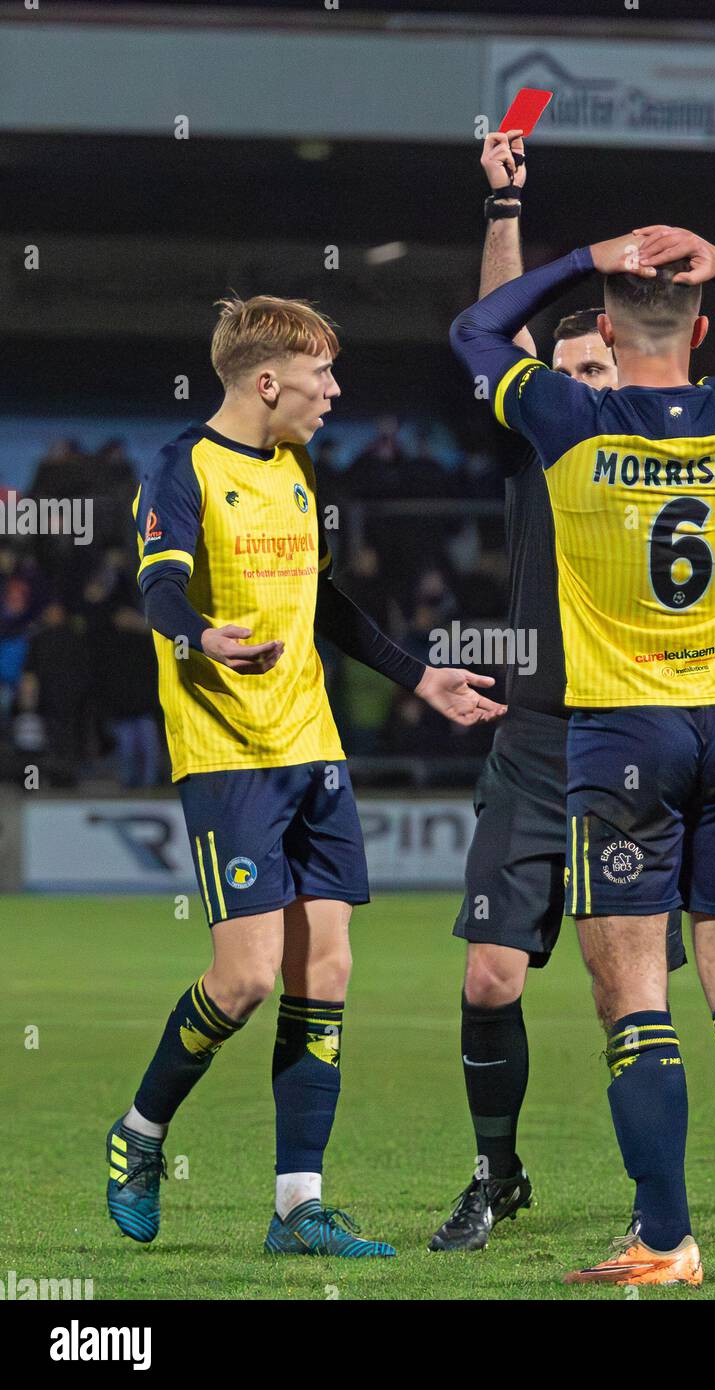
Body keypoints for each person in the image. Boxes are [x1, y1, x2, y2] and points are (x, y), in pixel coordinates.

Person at [107, 293, 504, 1261]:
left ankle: (298, 1205)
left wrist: (421, 677)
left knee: (324, 969)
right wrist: (198, 633)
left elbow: (321, 599)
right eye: (322, 375)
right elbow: (158, 579)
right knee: (241, 980)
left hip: (312, 750)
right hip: (228, 756)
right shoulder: (181, 465)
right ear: (267, 380)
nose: (335, 392)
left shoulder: (293, 467)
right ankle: (140, 1134)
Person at [451, 222, 715, 1286]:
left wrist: (579, 256)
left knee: (634, 997)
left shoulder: (572, 420)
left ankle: (663, 1236)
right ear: (703, 330)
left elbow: (476, 330)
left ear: (603, 329)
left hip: (620, 732)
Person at [429, 132, 685, 1254]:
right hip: (535, 740)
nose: (573, 382)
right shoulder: (544, 442)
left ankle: (655, 1203)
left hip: (631, 740)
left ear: (628, 369)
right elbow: (499, 335)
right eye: (563, 370)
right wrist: (505, 203)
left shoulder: (665, 450)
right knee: (489, 977)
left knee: (624, 996)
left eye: (593, 367)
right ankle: (497, 1172)